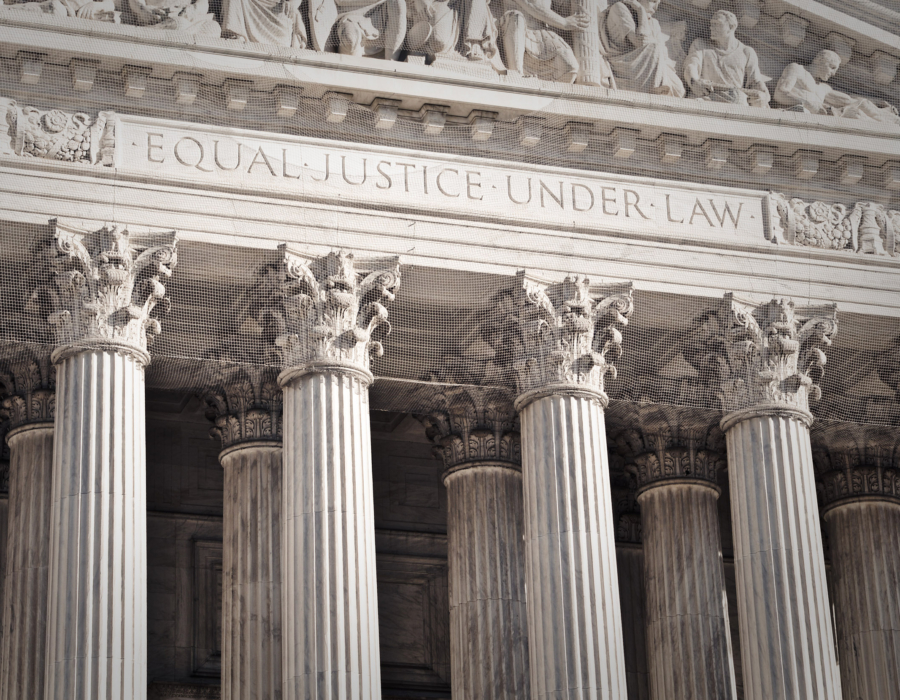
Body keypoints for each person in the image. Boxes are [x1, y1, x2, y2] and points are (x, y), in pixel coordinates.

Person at [775, 49, 900, 126]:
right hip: (804, 115)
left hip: (824, 115)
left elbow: (850, 100)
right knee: (855, 115)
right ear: (819, 60)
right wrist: (809, 104)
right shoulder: (797, 69)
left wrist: (878, 103)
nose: (833, 73)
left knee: (859, 108)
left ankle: (892, 123)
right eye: (832, 67)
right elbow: (780, 93)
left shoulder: (823, 88)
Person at [683, 9, 769, 107]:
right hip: (706, 97)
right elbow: (691, 66)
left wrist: (763, 96)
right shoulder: (700, 44)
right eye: (712, 24)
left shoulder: (746, 52)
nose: (711, 27)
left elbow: (756, 82)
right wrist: (694, 82)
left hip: (735, 101)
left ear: (731, 27)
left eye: (717, 23)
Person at [599, 0, 684, 97]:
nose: (655, 7)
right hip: (622, 63)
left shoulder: (654, 22)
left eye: (658, 3)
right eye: (653, 1)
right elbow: (641, 42)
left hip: (647, 62)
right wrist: (640, 10)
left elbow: (662, 55)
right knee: (653, 48)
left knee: (679, 90)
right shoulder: (619, 8)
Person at [500, 0, 589, 83]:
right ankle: (516, 75)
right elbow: (531, 3)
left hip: (542, 36)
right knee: (516, 17)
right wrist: (564, 22)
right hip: (515, 34)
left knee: (570, 67)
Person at [307, 0, 406, 59]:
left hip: (382, 19)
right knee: (350, 38)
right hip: (348, 18)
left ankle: (391, 66)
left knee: (398, 4)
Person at [221, 0, 307, 47]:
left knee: (286, 13)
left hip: (277, 8)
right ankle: (236, 34)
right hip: (251, 2)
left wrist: (292, 4)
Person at [125, 0, 220, 34]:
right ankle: (147, 32)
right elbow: (136, 3)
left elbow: (203, 4)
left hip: (186, 18)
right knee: (180, 24)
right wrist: (144, 10)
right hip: (156, 16)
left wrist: (191, 10)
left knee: (214, 28)